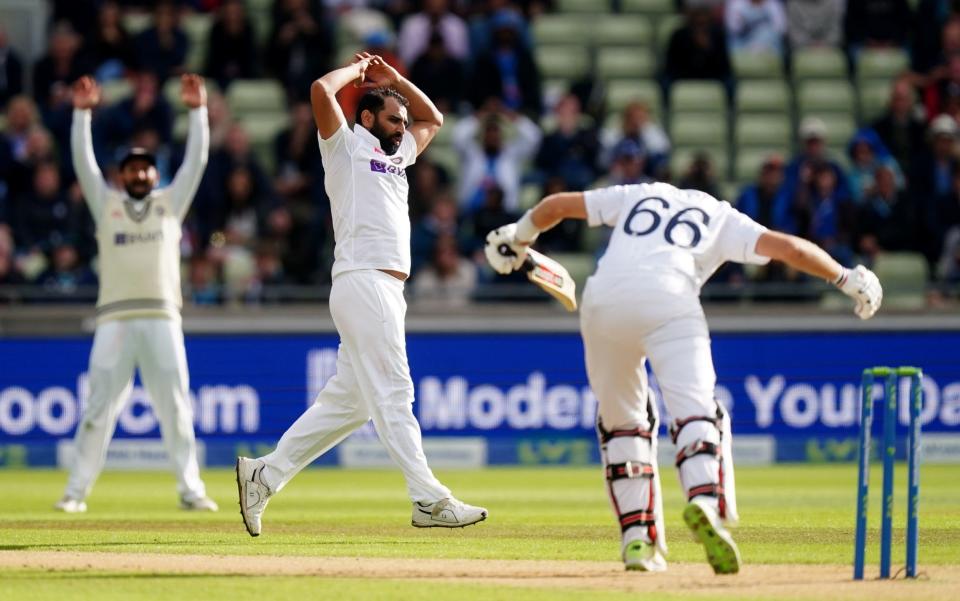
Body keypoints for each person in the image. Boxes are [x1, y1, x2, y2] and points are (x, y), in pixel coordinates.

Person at [483, 181, 882, 573]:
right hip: (670, 299)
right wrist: (847, 278)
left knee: (623, 426)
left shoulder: (639, 193)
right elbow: (789, 248)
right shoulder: (722, 216)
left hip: (603, 301)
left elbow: (556, 206)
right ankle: (704, 500)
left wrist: (517, 237)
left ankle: (637, 541)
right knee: (697, 413)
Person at [236, 53, 488, 536]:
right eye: (393, 119)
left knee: (350, 405)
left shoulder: (400, 156)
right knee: (395, 393)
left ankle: (264, 474)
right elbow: (318, 90)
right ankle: (429, 500)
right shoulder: (346, 147)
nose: (402, 126)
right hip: (364, 278)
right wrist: (357, 74)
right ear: (367, 118)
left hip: (383, 287)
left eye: (402, 122)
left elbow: (433, 119)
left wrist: (397, 82)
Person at [55, 73, 217, 513]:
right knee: (97, 410)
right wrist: (81, 114)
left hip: (163, 317)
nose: (140, 173)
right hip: (115, 319)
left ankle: (190, 490)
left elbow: (195, 163)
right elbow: (82, 163)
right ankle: (75, 493)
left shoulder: (169, 204)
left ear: (155, 173)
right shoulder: (106, 205)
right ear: (122, 175)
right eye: (131, 169)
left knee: (176, 408)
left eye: (146, 168)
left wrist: (197, 112)